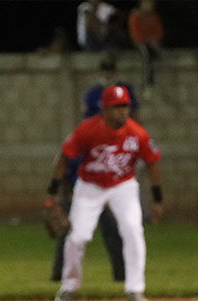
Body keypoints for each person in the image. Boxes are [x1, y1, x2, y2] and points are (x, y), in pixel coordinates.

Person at [44, 85, 163, 301]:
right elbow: (63, 158)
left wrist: (157, 199)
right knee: (78, 237)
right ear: (104, 109)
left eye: (125, 106)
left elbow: (152, 162)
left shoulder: (137, 133)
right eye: (116, 107)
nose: (122, 111)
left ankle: (135, 290)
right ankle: (69, 286)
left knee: (133, 229)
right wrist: (51, 192)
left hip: (123, 186)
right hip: (90, 187)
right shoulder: (87, 130)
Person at [49, 57, 136, 283]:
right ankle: (59, 275)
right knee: (70, 236)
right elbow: (64, 165)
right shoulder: (82, 137)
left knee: (114, 233)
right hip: (81, 192)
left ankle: (122, 276)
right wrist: (63, 195)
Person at [128, 0, 163, 90]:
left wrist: (155, 39)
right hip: (139, 43)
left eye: (150, 4)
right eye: (146, 3)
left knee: (159, 52)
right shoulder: (135, 15)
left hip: (151, 43)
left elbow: (159, 31)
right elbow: (135, 35)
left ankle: (158, 78)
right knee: (145, 52)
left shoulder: (153, 16)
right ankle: (147, 80)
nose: (149, 6)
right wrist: (147, 40)